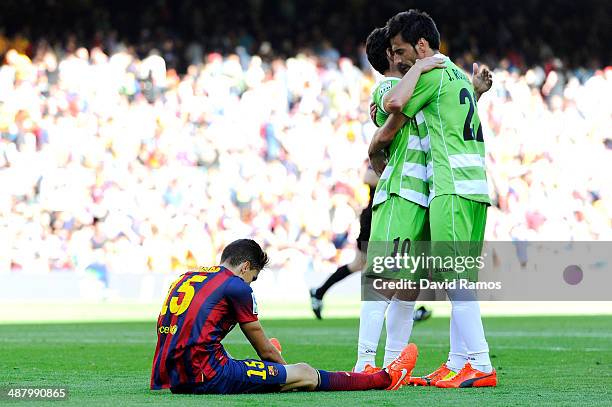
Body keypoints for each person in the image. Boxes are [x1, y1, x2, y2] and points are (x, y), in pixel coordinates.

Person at [368, 10, 496, 388]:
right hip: (475, 187)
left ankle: (480, 363)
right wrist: (477, 91)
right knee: (462, 279)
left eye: (402, 50)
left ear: (422, 45)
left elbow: (393, 103)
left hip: (451, 187)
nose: (400, 59)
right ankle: (458, 363)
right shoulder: (456, 74)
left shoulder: (433, 72)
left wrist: (375, 146)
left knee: (455, 280)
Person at [150, 239, 418, 394]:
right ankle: (384, 379)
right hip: (205, 376)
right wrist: (284, 371)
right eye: (252, 277)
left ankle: (261, 374)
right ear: (245, 267)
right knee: (303, 372)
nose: (250, 283)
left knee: (222, 350)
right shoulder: (236, 286)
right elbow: (264, 348)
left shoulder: (188, 276)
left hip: (171, 375)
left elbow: (169, 327)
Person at [352, 26, 446, 375]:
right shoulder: (387, 87)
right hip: (400, 194)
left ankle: (393, 364)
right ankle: (364, 362)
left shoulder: (416, 89)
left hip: (425, 195)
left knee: (411, 286)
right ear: (392, 56)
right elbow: (390, 116)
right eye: (400, 49)